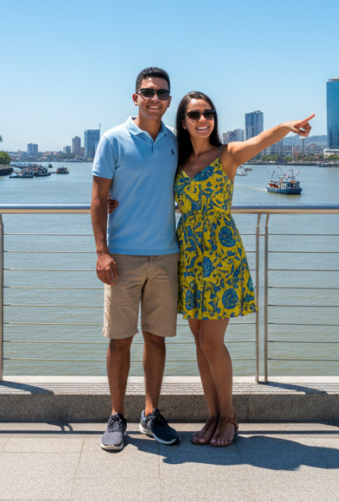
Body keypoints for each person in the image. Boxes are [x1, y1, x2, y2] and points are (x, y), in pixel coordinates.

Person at [174, 91, 313, 447]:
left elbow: (260, 141)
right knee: (199, 343)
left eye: (208, 113)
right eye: (194, 114)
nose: (202, 119)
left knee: (211, 341)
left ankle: (230, 417)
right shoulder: (177, 160)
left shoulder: (228, 154)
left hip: (220, 254)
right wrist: (114, 200)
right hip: (188, 254)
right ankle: (213, 416)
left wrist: (285, 125)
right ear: (184, 120)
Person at [91, 67, 182, 452]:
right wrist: (102, 251)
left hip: (166, 254)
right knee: (119, 340)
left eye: (162, 93)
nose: (155, 98)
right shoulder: (112, 139)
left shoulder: (177, 143)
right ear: (135, 97)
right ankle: (116, 416)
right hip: (123, 256)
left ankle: (151, 413)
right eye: (148, 92)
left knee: (156, 339)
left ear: (169, 99)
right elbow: (98, 199)